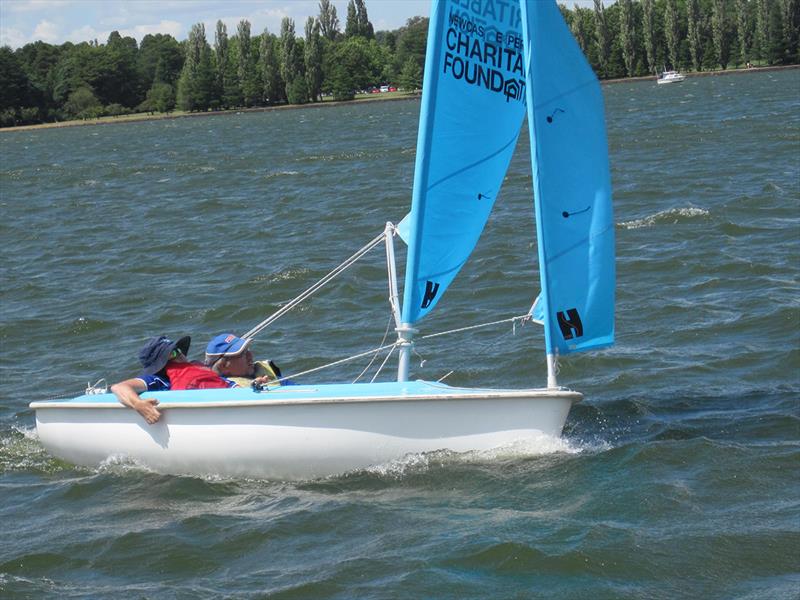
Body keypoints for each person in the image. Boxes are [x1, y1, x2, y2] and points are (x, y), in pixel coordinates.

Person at [111, 335, 235, 424]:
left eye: (179, 350)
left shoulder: (199, 370)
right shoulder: (158, 380)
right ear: (160, 363)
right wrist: (138, 404)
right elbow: (119, 387)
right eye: (173, 353)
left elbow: (229, 384)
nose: (181, 354)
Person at [205, 333, 284, 387]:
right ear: (223, 365)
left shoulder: (261, 371)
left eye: (247, 350)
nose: (250, 355)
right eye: (242, 354)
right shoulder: (218, 386)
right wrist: (252, 389)